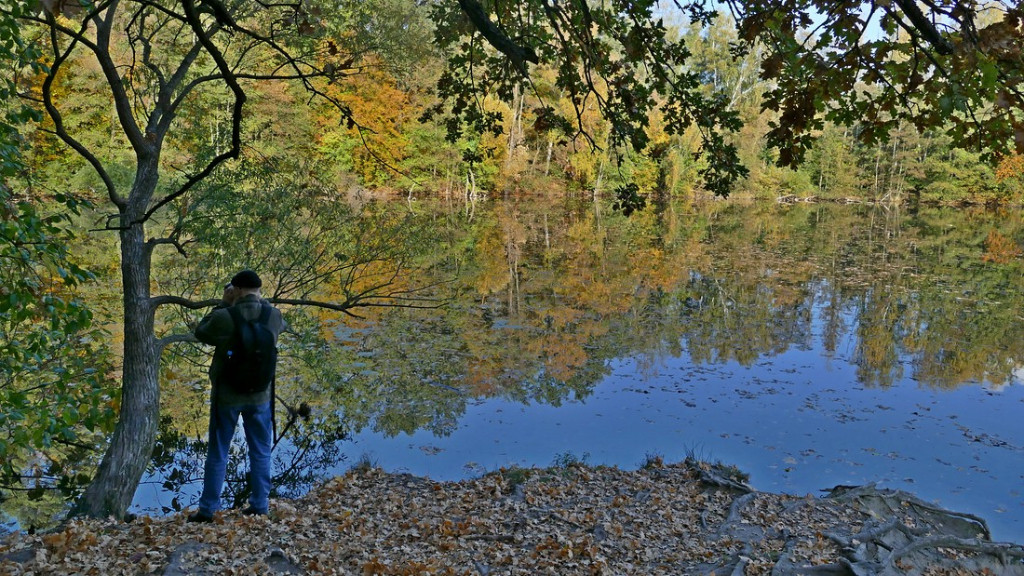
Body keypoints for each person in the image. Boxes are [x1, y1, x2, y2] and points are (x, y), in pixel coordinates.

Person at [188, 269, 285, 523]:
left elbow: (201, 332)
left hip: (227, 395)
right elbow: (279, 326)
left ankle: (208, 509)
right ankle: (260, 505)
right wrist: (260, 302)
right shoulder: (273, 315)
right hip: (260, 396)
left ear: (238, 290)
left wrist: (224, 302)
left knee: (218, 451)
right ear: (258, 290)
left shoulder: (225, 316)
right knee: (261, 451)